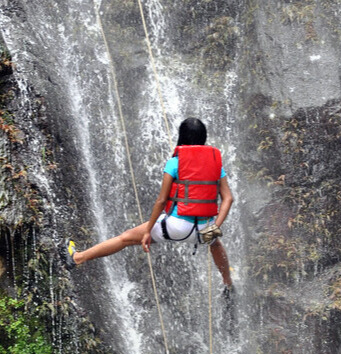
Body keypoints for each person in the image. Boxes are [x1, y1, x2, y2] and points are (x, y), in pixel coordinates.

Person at [62, 118, 234, 287]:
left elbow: (161, 201)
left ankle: (77, 258)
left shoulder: (174, 163)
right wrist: (215, 227)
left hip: (175, 227)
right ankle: (227, 283)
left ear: (181, 137)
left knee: (125, 238)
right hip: (203, 231)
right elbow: (228, 198)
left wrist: (148, 231)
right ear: (203, 139)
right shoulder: (216, 166)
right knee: (216, 244)